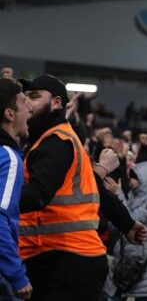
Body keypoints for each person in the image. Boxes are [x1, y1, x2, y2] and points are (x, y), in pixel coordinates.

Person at [18, 74, 108, 301]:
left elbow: (37, 196)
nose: (26, 102)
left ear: (57, 103)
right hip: (66, 256)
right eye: (25, 96)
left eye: (35, 96)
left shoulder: (56, 142)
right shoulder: (50, 139)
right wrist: (127, 223)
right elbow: (98, 192)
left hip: (66, 259)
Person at [103, 161, 147, 301]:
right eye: (131, 177)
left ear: (146, 178)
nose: (131, 181)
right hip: (123, 260)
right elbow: (114, 224)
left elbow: (130, 221)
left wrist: (118, 194)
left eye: (135, 177)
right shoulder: (130, 197)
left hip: (144, 263)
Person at [0, 79, 32, 300]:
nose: (30, 108)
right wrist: (17, 275)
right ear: (10, 114)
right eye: (24, 103)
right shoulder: (9, 158)